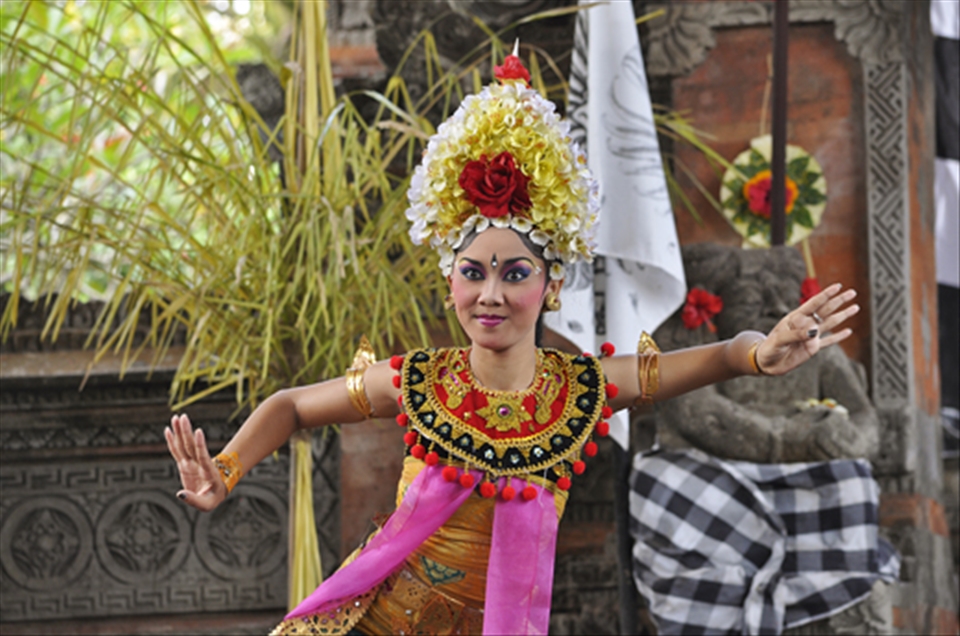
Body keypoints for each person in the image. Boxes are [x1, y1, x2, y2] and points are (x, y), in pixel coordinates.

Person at [164, 54, 860, 635]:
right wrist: (223, 471)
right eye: (473, 273)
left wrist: (759, 355)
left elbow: (705, 361)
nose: (490, 293)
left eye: (513, 273)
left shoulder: (581, 390)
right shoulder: (417, 383)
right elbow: (290, 406)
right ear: (450, 285)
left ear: (551, 286)